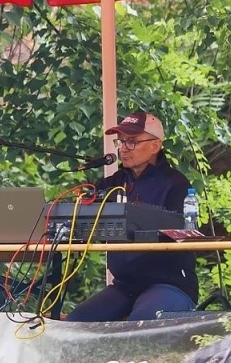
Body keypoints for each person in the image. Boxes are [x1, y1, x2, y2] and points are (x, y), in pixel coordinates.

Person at [66, 110, 198, 322]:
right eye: (121, 142)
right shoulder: (112, 184)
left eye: (132, 142)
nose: (123, 149)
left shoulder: (176, 184)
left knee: (139, 323)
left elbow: (182, 235)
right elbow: (87, 224)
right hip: (125, 286)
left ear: (155, 146)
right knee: (77, 322)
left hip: (170, 284)